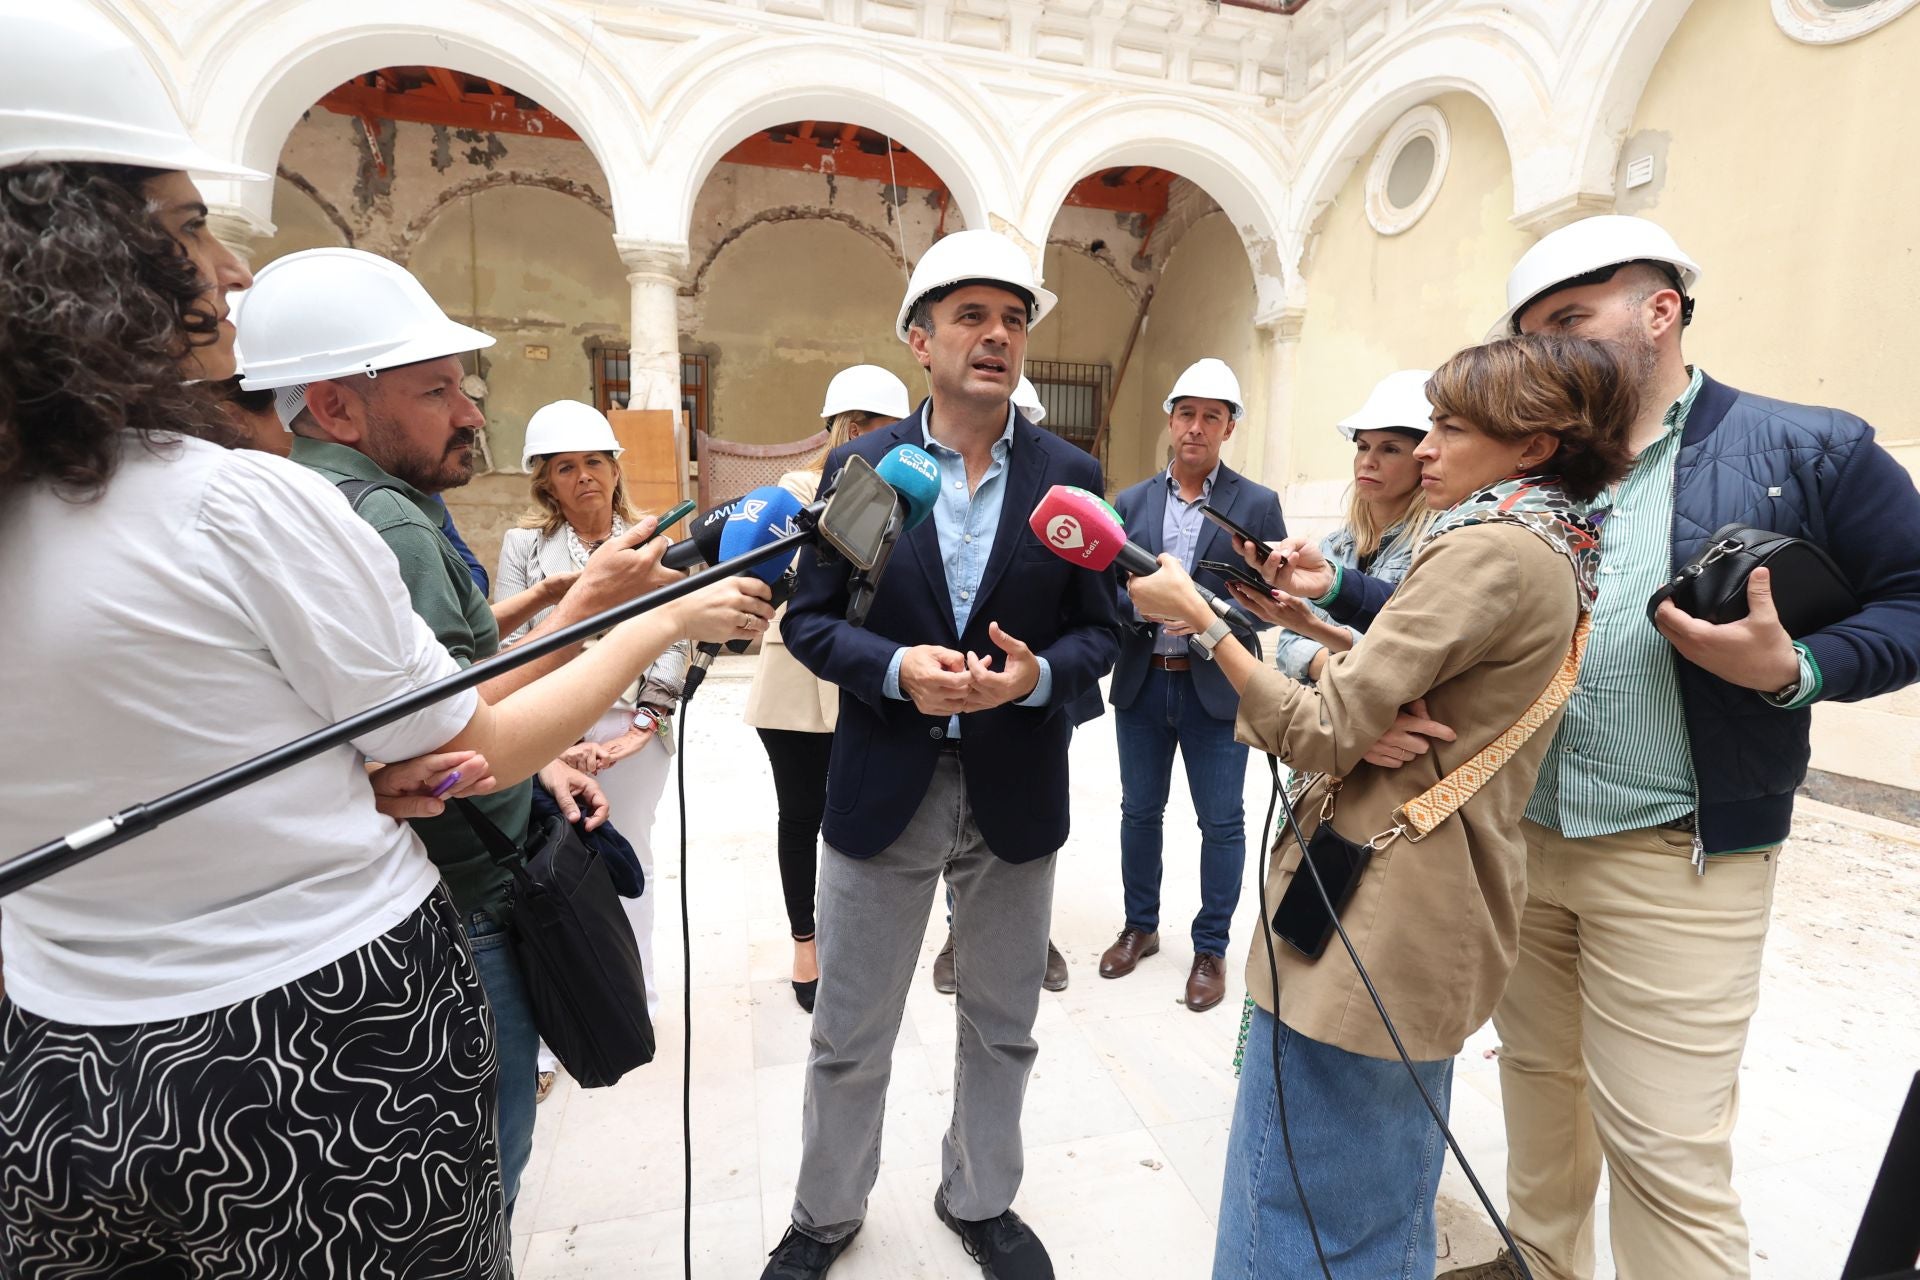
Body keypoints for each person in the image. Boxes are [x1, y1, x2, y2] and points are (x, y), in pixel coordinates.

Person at [0, 9, 773, 1275]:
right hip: (315, 1055)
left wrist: (355, 749)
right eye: (191, 228)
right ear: (88, 248)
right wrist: (657, 621)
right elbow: (465, 744)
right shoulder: (239, 504)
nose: (230, 272)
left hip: (63, 1057)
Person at [1421, 217, 1920, 1280]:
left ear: (1661, 310)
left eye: (1570, 320)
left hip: (1681, 856)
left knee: (1663, 1145)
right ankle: (1542, 1259)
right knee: (1539, 1084)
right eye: (1533, 332)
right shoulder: (1544, 465)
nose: (1549, 349)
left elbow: (1914, 597)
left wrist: (1799, 669)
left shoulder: (1810, 447)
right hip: (1525, 839)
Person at [1127, 334, 1635, 1280]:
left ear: (1530, 447)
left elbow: (1322, 731)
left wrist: (1203, 622)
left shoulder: (1485, 550)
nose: (1424, 449)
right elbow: (1379, 690)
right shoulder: (1553, 544)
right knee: (1377, 1196)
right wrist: (1315, 638)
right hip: (1428, 912)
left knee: (1303, 1206)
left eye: (1448, 427)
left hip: (1378, 914)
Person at [235, 246, 688, 1220]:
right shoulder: (389, 521)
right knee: (487, 1168)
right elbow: (463, 738)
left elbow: (433, 680)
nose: (474, 412)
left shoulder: (304, 492)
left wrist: (553, 605)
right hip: (467, 897)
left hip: (387, 890)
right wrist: (626, 615)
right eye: (438, 388)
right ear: (338, 404)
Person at [761, 229, 1122, 1280]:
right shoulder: (867, 469)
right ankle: (825, 1213)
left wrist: (1035, 678)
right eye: (972, 315)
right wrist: (896, 667)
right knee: (849, 1028)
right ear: (921, 341)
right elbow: (811, 623)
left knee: (1003, 1022)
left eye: (1014, 319)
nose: (998, 334)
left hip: (1015, 784)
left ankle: (980, 1196)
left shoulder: (1071, 474)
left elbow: (1103, 631)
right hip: (885, 782)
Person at [1100, 358, 1285, 1012]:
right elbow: (1109, 592)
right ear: (1171, 421)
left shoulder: (1256, 505)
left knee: (1222, 822)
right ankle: (1140, 927)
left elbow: (1271, 602)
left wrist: (1207, 614)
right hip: (1144, 684)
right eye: (1187, 413)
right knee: (1139, 811)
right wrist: (1140, 609)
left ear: (1229, 427)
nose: (1197, 427)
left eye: (1212, 416)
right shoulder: (1132, 503)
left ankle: (1210, 948)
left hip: (1215, 689)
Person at [497, 398, 689, 1027]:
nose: (583, 476)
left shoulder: (651, 538)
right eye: (564, 467)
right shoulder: (526, 545)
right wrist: (551, 744)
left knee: (630, 858)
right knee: (555, 867)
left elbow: (675, 633)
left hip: (630, 732)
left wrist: (643, 725)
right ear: (545, 481)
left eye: (593, 462)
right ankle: (570, 1014)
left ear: (614, 469)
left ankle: (638, 1000)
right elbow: (508, 641)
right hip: (547, 725)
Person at [743, 364, 910, 1013]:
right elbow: (789, 580)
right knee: (801, 814)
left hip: (868, 677)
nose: (871, 439)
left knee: (863, 816)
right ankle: (805, 941)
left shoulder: (908, 501)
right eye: (861, 426)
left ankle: (857, 937)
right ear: (839, 428)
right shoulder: (797, 489)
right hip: (796, 679)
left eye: (886, 429)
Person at [1270, 370, 1439, 685]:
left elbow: (1404, 662)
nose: (1368, 461)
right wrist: (1348, 665)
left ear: (1424, 459)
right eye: (1363, 446)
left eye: (1390, 449)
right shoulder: (1334, 544)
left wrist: (1322, 654)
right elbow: (1287, 646)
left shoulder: (1431, 548)